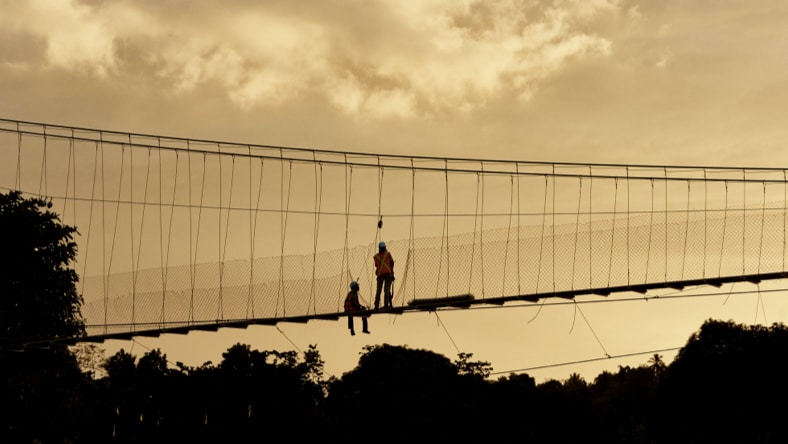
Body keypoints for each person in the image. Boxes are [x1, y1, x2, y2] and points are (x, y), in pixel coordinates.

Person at [373, 241, 394, 310]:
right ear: (385, 247)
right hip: (388, 274)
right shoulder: (388, 254)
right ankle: (386, 305)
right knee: (386, 290)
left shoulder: (376, 257)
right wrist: (392, 273)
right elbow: (392, 263)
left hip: (380, 275)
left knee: (378, 291)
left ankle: (376, 306)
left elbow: (376, 265)